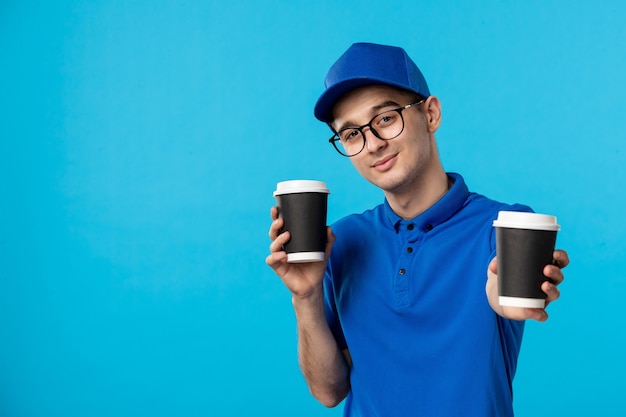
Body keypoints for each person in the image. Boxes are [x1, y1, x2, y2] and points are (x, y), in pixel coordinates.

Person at [266, 42, 569, 416]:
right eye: (351, 134)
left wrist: (510, 298)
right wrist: (306, 298)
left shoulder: (504, 227)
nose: (373, 144)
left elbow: (510, 296)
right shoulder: (341, 241)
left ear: (431, 114)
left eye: (386, 118)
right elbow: (329, 392)